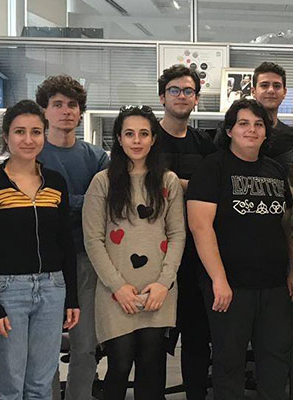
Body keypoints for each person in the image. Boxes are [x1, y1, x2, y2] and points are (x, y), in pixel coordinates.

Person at [0, 100, 80, 400]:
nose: (28, 140)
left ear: (44, 135)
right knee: (10, 387)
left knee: (41, 385)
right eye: (20, 132)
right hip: (8, 291)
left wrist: (71, 296)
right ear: (6, 136)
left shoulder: (55, 182)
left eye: (36, 132)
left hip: (52, 288)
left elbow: (65, 242)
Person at [187, 99, 293, 400]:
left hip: (274, 284)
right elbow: (200, 227)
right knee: (229, 361)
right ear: (230, 130)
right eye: (244, 123)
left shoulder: (275, 170)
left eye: (258, 124)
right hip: (230, 285)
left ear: (266, 132)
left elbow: (287, 224)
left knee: (275, 360)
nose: (252, 130)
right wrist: (218, 280)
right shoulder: (212, 167)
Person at [83, 105, 186, 400]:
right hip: (115, 293)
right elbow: (93, 240)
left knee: (152, 368)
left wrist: (163, 283)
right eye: (129, 134)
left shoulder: (168, 182)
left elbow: (177, 234)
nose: (137, 140)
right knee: (119, 364)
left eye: (143, 134)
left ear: (154, 139)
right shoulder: (102, 182)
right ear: (119, 138)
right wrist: (118, 287)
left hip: (158, 291)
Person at [31, 75, 109, 400]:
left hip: (87, 259)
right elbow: (37, 206)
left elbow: (103, 205)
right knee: (45, 348)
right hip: (43, 264)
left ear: (80, 112)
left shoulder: (97, 157)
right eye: (58, 104)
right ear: (44, 111)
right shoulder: (32, 155)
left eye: (72, 105)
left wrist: (63, 202)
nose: (66, 111)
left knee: (86, 346)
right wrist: (80, 202)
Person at [151, 64, 218, 400]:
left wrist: (170, 183)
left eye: (188, 91)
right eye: (174, 90)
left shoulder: (205, 143)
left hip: (194, 250)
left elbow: (213, 189)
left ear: (196, 99)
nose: (181, 96)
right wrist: (189, 186)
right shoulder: (146, 137)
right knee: (152, 339)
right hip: (151, 250)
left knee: (196, 336)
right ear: (162, 97)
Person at [216, 62, 293, 186]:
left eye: (277, 86)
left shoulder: (291, 135)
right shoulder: (231, 131)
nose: (271, 90)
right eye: (264, 85)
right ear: (253, 91)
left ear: (284, 92)